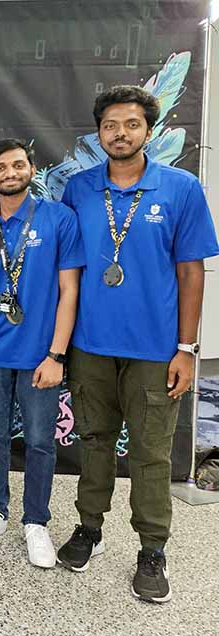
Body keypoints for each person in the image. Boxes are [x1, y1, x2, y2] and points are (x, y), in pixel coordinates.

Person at [56, 86, 218, 602]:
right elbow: (66, 274)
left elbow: (192, 273)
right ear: (97, 132)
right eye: (109, 126)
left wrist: (187, 349)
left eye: (130, 124)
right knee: (94, 442)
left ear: (147, 129)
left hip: (154, 351)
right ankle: (89, 528)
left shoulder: (180, 188)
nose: (119, 134)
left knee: (150, 455)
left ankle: (152, 550)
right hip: (89, 347)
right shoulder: (78, 190)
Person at [0, 139, 84, 568]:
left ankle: (36, 522)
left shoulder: (59, 218)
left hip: (40, 355)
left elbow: (70, 291)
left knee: (38, 441)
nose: (9, 173)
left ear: (31, 167)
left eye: (16, 165)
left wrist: (57, 355)